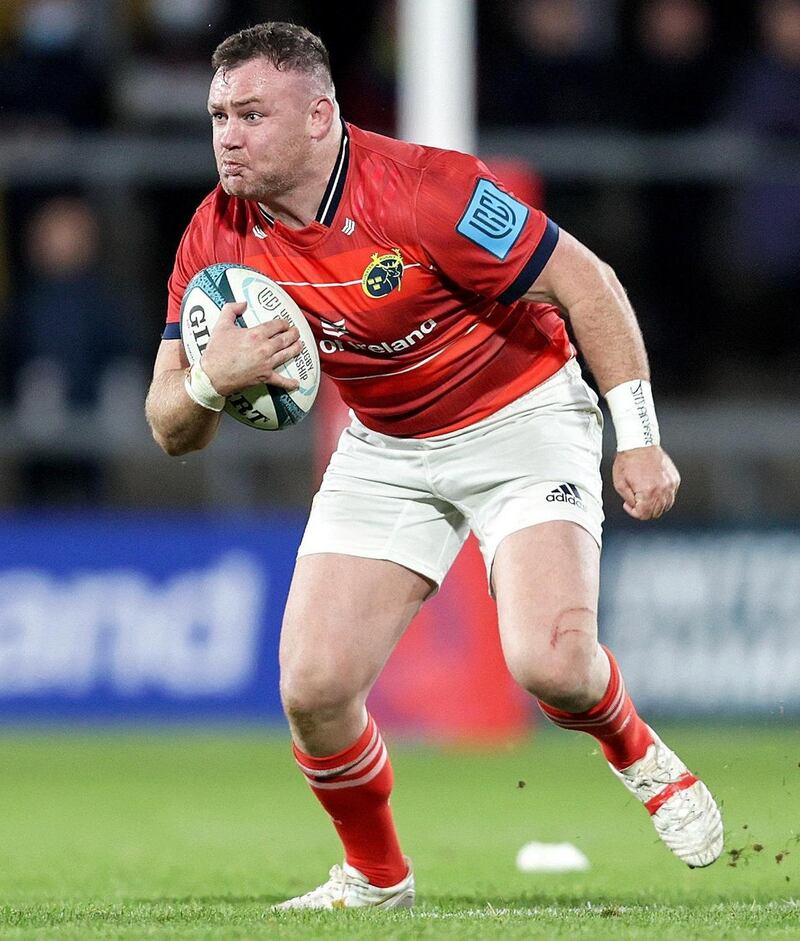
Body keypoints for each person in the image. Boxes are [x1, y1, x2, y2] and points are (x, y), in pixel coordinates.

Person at [145, 21, 724, 910]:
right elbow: (167, 423)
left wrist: (637, 433)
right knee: (313, 685)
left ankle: (639, 752)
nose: (227, 134)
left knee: (551, 664)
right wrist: (212, 384)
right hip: (384, 444)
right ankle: (377, 877)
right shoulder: (215, 232)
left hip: (522, 418)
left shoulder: (427, 191)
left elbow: (589, 283)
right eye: (219, 113)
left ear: (318, 116)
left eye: (251, 113)